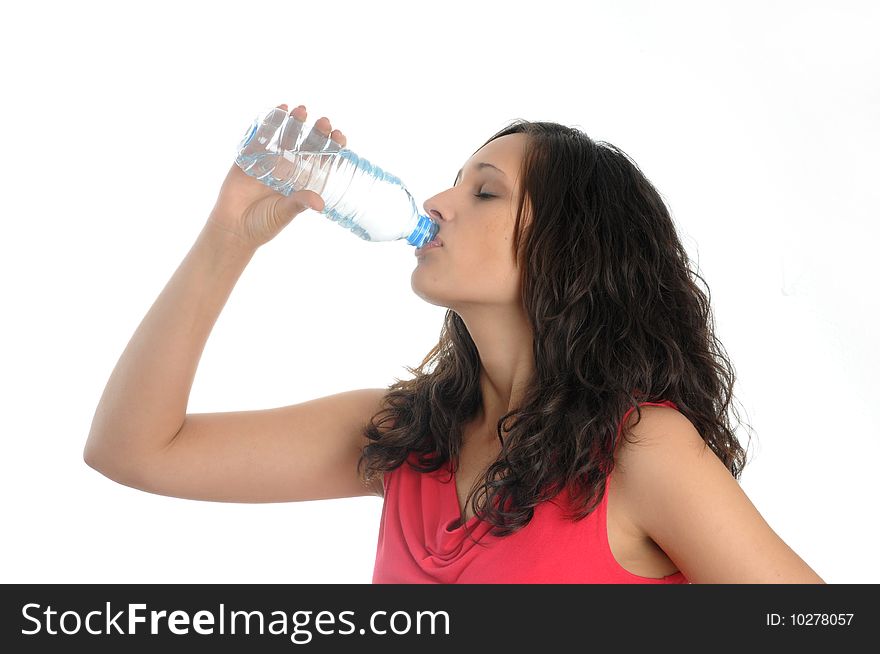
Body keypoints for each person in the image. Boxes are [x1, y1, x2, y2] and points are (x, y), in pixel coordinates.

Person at [84, 102, 825, 584]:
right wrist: (228, 236)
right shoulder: (409, 434)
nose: (437, 203)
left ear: (568, 250)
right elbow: (135, 450)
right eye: (453, 182)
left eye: (485, 190)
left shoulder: (640, 451)